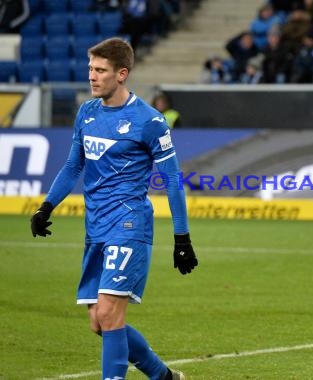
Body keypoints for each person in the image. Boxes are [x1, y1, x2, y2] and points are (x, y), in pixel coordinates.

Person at [29, 38, 197, 380]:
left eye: (100, 70)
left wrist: (182, 239)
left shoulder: (149, 121)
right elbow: (73, 167)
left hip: (130, 224)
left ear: (121, 74)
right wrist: (46, 206)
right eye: (90, 68)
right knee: (98, 322)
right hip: (96, 226)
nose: (92, 76)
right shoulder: (87, 113)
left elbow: (173, 180)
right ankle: (164, 377)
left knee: (108, 312)